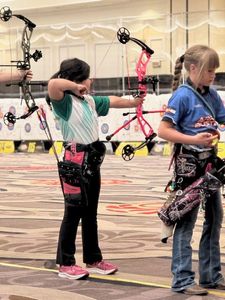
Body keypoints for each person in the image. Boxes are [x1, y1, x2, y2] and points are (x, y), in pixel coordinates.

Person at [47, 57, 144, 280]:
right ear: (77, 80)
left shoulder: (87, 101)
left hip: (91, 161)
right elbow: (53, 84)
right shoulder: (63, 102)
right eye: (87, 78)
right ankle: (66, 262)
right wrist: (74, 86)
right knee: (72, 214)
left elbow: (111, 100)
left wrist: (134, 102)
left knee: (90, 213)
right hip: (74, 162)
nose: (91, 81)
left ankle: (93, 259)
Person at [158, 45, 225, 296]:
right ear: (193, 69)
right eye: (209, 70)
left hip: (211, 167)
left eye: (215, 70)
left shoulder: (212, 94)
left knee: (215, 219)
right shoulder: (182, 96)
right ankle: (182, 280)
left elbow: (222, 118)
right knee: (186, 223)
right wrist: (196, 140)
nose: (213, 75)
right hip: (189, 166)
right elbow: (163, 131)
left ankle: (210, 276)